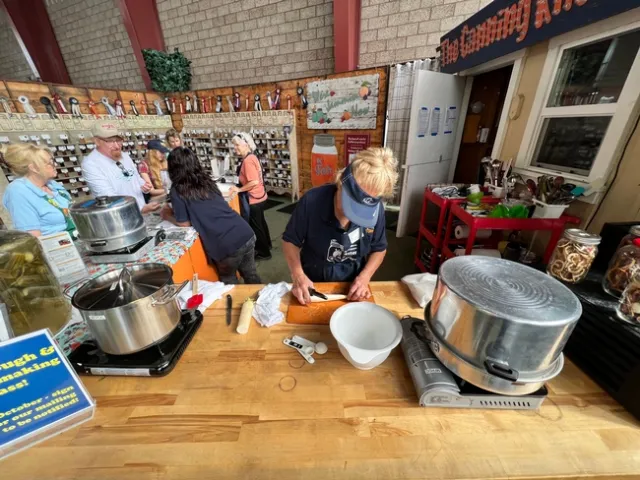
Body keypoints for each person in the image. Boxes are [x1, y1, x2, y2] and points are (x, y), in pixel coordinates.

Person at [282, 147, 398, 305]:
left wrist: (364, 278)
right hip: (312, 277)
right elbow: (290, 241)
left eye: (362, 209)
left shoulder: (375, 212)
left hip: (352, 282)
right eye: (353, 205)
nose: (355, 215)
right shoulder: (312, 202)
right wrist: (298, 276)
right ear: (341, 183)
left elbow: (379, 248)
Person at [161, 147, 261, 284]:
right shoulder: (206, 180)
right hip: (245, 232)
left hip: (226, 244)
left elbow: (184, 223)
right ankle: (262, 302)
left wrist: (167, 216)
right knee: (251, 274)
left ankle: (236, 303)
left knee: (229, 280)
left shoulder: (177, 190)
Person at [82, 121, 160, 214]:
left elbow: (135, 178)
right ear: (97, 141)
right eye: (110, 141)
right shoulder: (91, 164)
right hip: (120, 217)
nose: (116, 146)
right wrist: (140, 209)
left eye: (118, 140)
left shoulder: (124, 155)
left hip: (141, 211)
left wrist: (144, 186)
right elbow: (109, 198)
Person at [1, 144, 76, 237]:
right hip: (55, 247)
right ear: (34, 168)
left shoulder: (52, 184)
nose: (55, 164)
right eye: (50, 163)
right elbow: (33, 237)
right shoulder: (18, 192)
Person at [230, 132, 272, 260]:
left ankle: (264, 253)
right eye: (234, 145)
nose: (235, 148)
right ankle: (267, 245)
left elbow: (253, 182)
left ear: (246, 145)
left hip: (254, 199)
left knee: (256, 226)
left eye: (237, 145)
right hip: (261, 196)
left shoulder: (248, 161)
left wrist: (239, 189)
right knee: (261, 223)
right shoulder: (252, 157)